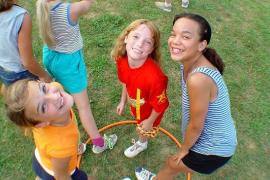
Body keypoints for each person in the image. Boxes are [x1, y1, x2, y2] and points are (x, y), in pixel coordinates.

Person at [135, 13, 237, 180]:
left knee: (171, 164)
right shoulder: (191, 62)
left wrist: (184, 149)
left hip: (213, 150)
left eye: (186, 36)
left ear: (201, 44)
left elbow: (196, 125)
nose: (175, 41)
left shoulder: (198, 79)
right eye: (173, 34)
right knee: (174, 166)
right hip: (218, 137)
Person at [36, 0, 117, 154]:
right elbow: (87, 4)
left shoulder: (42, 5)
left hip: (50, 57)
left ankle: (73, 144)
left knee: (58, 98)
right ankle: (99, 144)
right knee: (83, 107)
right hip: (70, 64)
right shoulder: (70, 10)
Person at [4, 79, 95, 180]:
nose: (55, 96)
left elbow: (56, 86)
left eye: (43, 88)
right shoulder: (62, 146)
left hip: (40, 159)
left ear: (40, 82)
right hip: (53, 173)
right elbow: (61, 176)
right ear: (41, 123)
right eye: (43, 107)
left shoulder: (55, 93)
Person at [111, 19, 169, 158]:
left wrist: (149, 121)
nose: (140, 44)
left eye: (148, 42)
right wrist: (123, 101)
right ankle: (141, 134)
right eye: (136, 36)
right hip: (135, 105)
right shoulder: (121, 60)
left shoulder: (156, 78)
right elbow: (125, 81)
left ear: (151, 49)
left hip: (150, 112)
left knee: (143, 129)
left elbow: (161, 105)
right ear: (126, 38)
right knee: (138, 122)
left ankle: (142, 143)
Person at [0, 0, 52, 86]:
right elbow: (28, 62)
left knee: (17, 96)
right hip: (21, 73)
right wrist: (44, 75)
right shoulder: (20, 16)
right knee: (35, 97)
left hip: (3, 69)